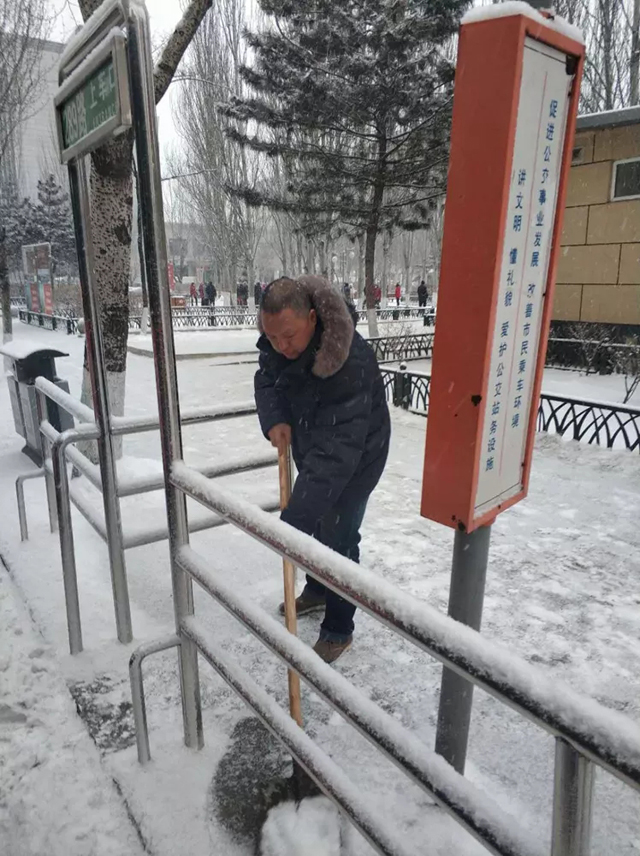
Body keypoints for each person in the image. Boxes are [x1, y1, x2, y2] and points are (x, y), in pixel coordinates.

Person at [255, 276, 390, 663]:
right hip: (314, 445)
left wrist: (290, 525)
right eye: (273, 338)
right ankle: (317, 590)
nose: (282, 347)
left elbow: (336, 454)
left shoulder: (349, 361)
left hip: (357, 458)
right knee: (316, 526)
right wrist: (275, 417)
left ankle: (338, 629)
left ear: (312, 318)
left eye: (289, 337)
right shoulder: (281, 342)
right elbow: (267, 376)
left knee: (340, 540)